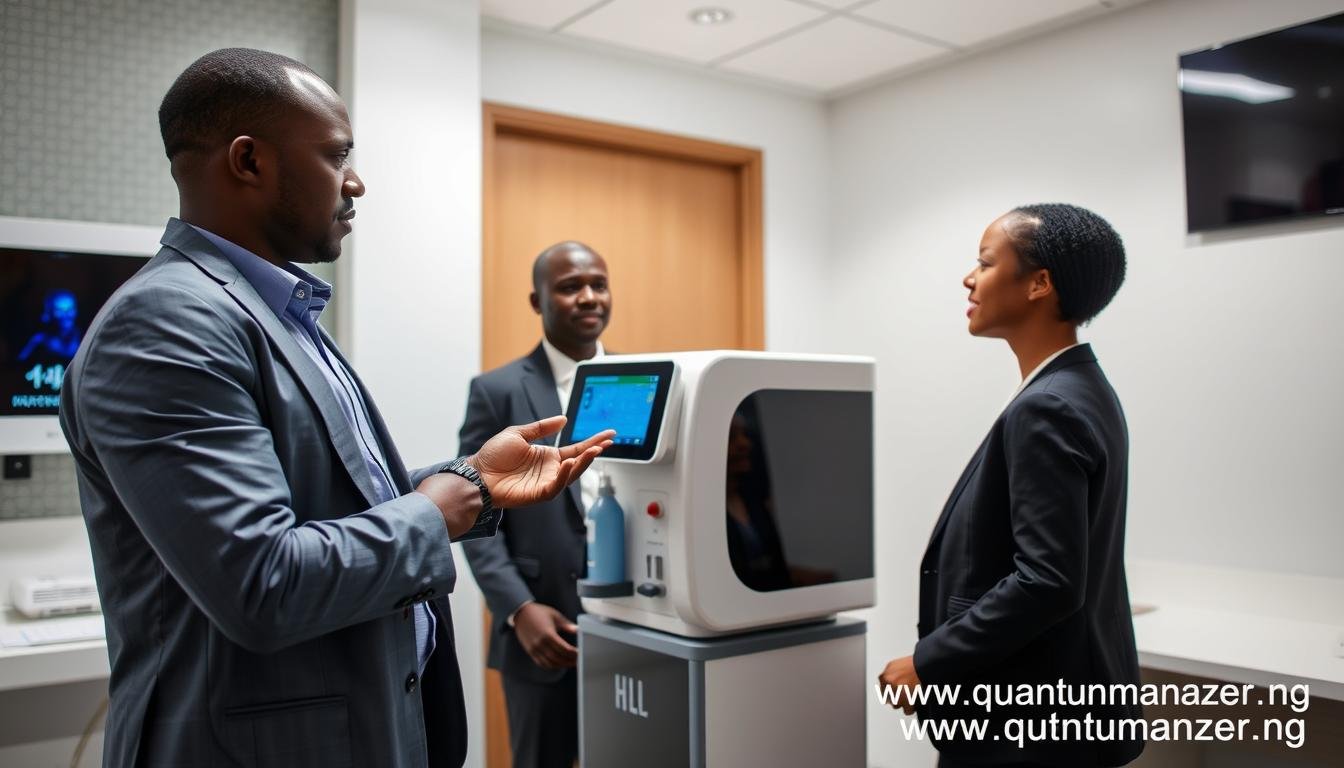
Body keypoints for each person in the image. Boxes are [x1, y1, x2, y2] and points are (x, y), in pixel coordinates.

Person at [58, 48, 612, 768]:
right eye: (336, 155)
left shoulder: (278, 313)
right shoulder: (166, 324)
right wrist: (438, 509)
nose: (355, 182)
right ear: (249, 161)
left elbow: (329, 505)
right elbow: (264, 581)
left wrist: (471, 480)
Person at [879, 204, 1144, 767]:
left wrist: (928, 662)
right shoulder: (1085, 387)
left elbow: (1047, 581)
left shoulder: (1047, 405)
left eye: (985, 262)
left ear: (1039, 284)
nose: (968, 278)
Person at [459, 241, 611, 768]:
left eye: (598, 284)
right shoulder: (496, 390)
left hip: (638, 626)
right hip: (542, 630)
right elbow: (472, 511)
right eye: (570, 287)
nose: (589, 297)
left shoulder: (648, 377)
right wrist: (517, 609)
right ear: (537, 299)